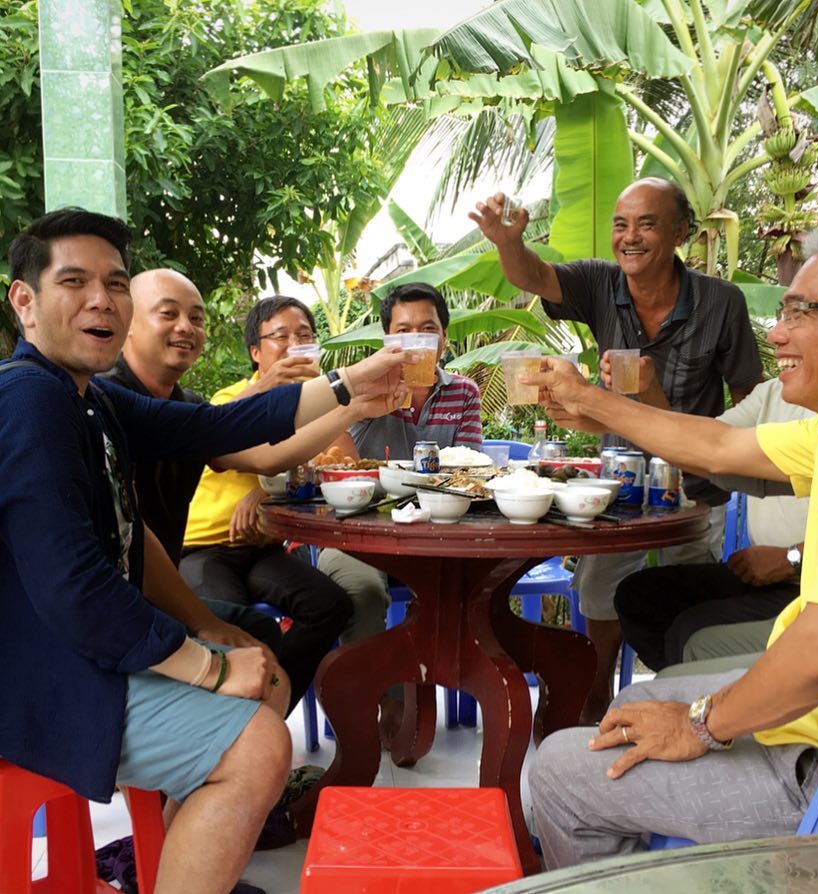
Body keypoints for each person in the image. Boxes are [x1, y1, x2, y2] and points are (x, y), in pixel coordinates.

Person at [0, 209, 408, 893]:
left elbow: (221, 426)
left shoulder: (88, 398)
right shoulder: (27, 400)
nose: (101, 299)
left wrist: (348, 386)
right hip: (37, 678)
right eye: (74, 281)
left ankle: (186, 859)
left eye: (115, 282)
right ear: (25, 300)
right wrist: (208, 668)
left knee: (265, 674)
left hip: (75, 650)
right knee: (257, 743)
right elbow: (77, 590)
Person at [523, 225, 818, 868]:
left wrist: (699, 723)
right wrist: (592, 400)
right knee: (634, 705)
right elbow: (717, 446)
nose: (776, 333)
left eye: (802, 313)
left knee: (558, 767)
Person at [471, 178, 764, 721]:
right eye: (620, 224)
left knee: (691, 596)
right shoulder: (600, 284)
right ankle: (597, 686)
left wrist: (739, 462)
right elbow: (534, 275)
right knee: (600, 588)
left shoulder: (722, 303)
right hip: (620, 479)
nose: (629, 237)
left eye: (646, 224)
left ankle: (684, 702)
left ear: (681, 232)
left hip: (696, 485)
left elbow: (750, 400)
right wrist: (508, 241)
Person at [179, 295, 402, 711]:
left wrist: (266, 491)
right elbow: (225, 436)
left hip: (263, 549)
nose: (294, 345)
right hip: (203, 548)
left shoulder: (318, 408)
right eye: (280, 336)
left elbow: (341, 462)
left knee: (331, 605)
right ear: (255, 352)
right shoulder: (229, 398)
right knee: (232, 627)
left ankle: (271, 704)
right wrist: (266, 393)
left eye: (304, 335)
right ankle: (246, 726)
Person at [315, 281, 484, 744]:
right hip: (359, 536)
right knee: (363, 592)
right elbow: (336, 458)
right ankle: (379, 698)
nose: (415, 341)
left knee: (464, 588)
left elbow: (470, 470)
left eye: (426, 329)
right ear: (387, 342)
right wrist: (363, 403)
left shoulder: (463, 393)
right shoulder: (361, 389)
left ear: (444, 338)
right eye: (402, 330)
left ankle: (435, 687)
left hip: (439, 535)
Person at [615, 377, 812, 671]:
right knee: (639, 597)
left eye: (799, 326)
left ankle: (698, 700)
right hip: (767, 572)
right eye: (783, 325)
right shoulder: (775, 391)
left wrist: (792, 558)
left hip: (817, 586)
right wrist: (619, 402)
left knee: (693, 632)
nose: (777, 335)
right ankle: (690, 690)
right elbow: (699, 447)